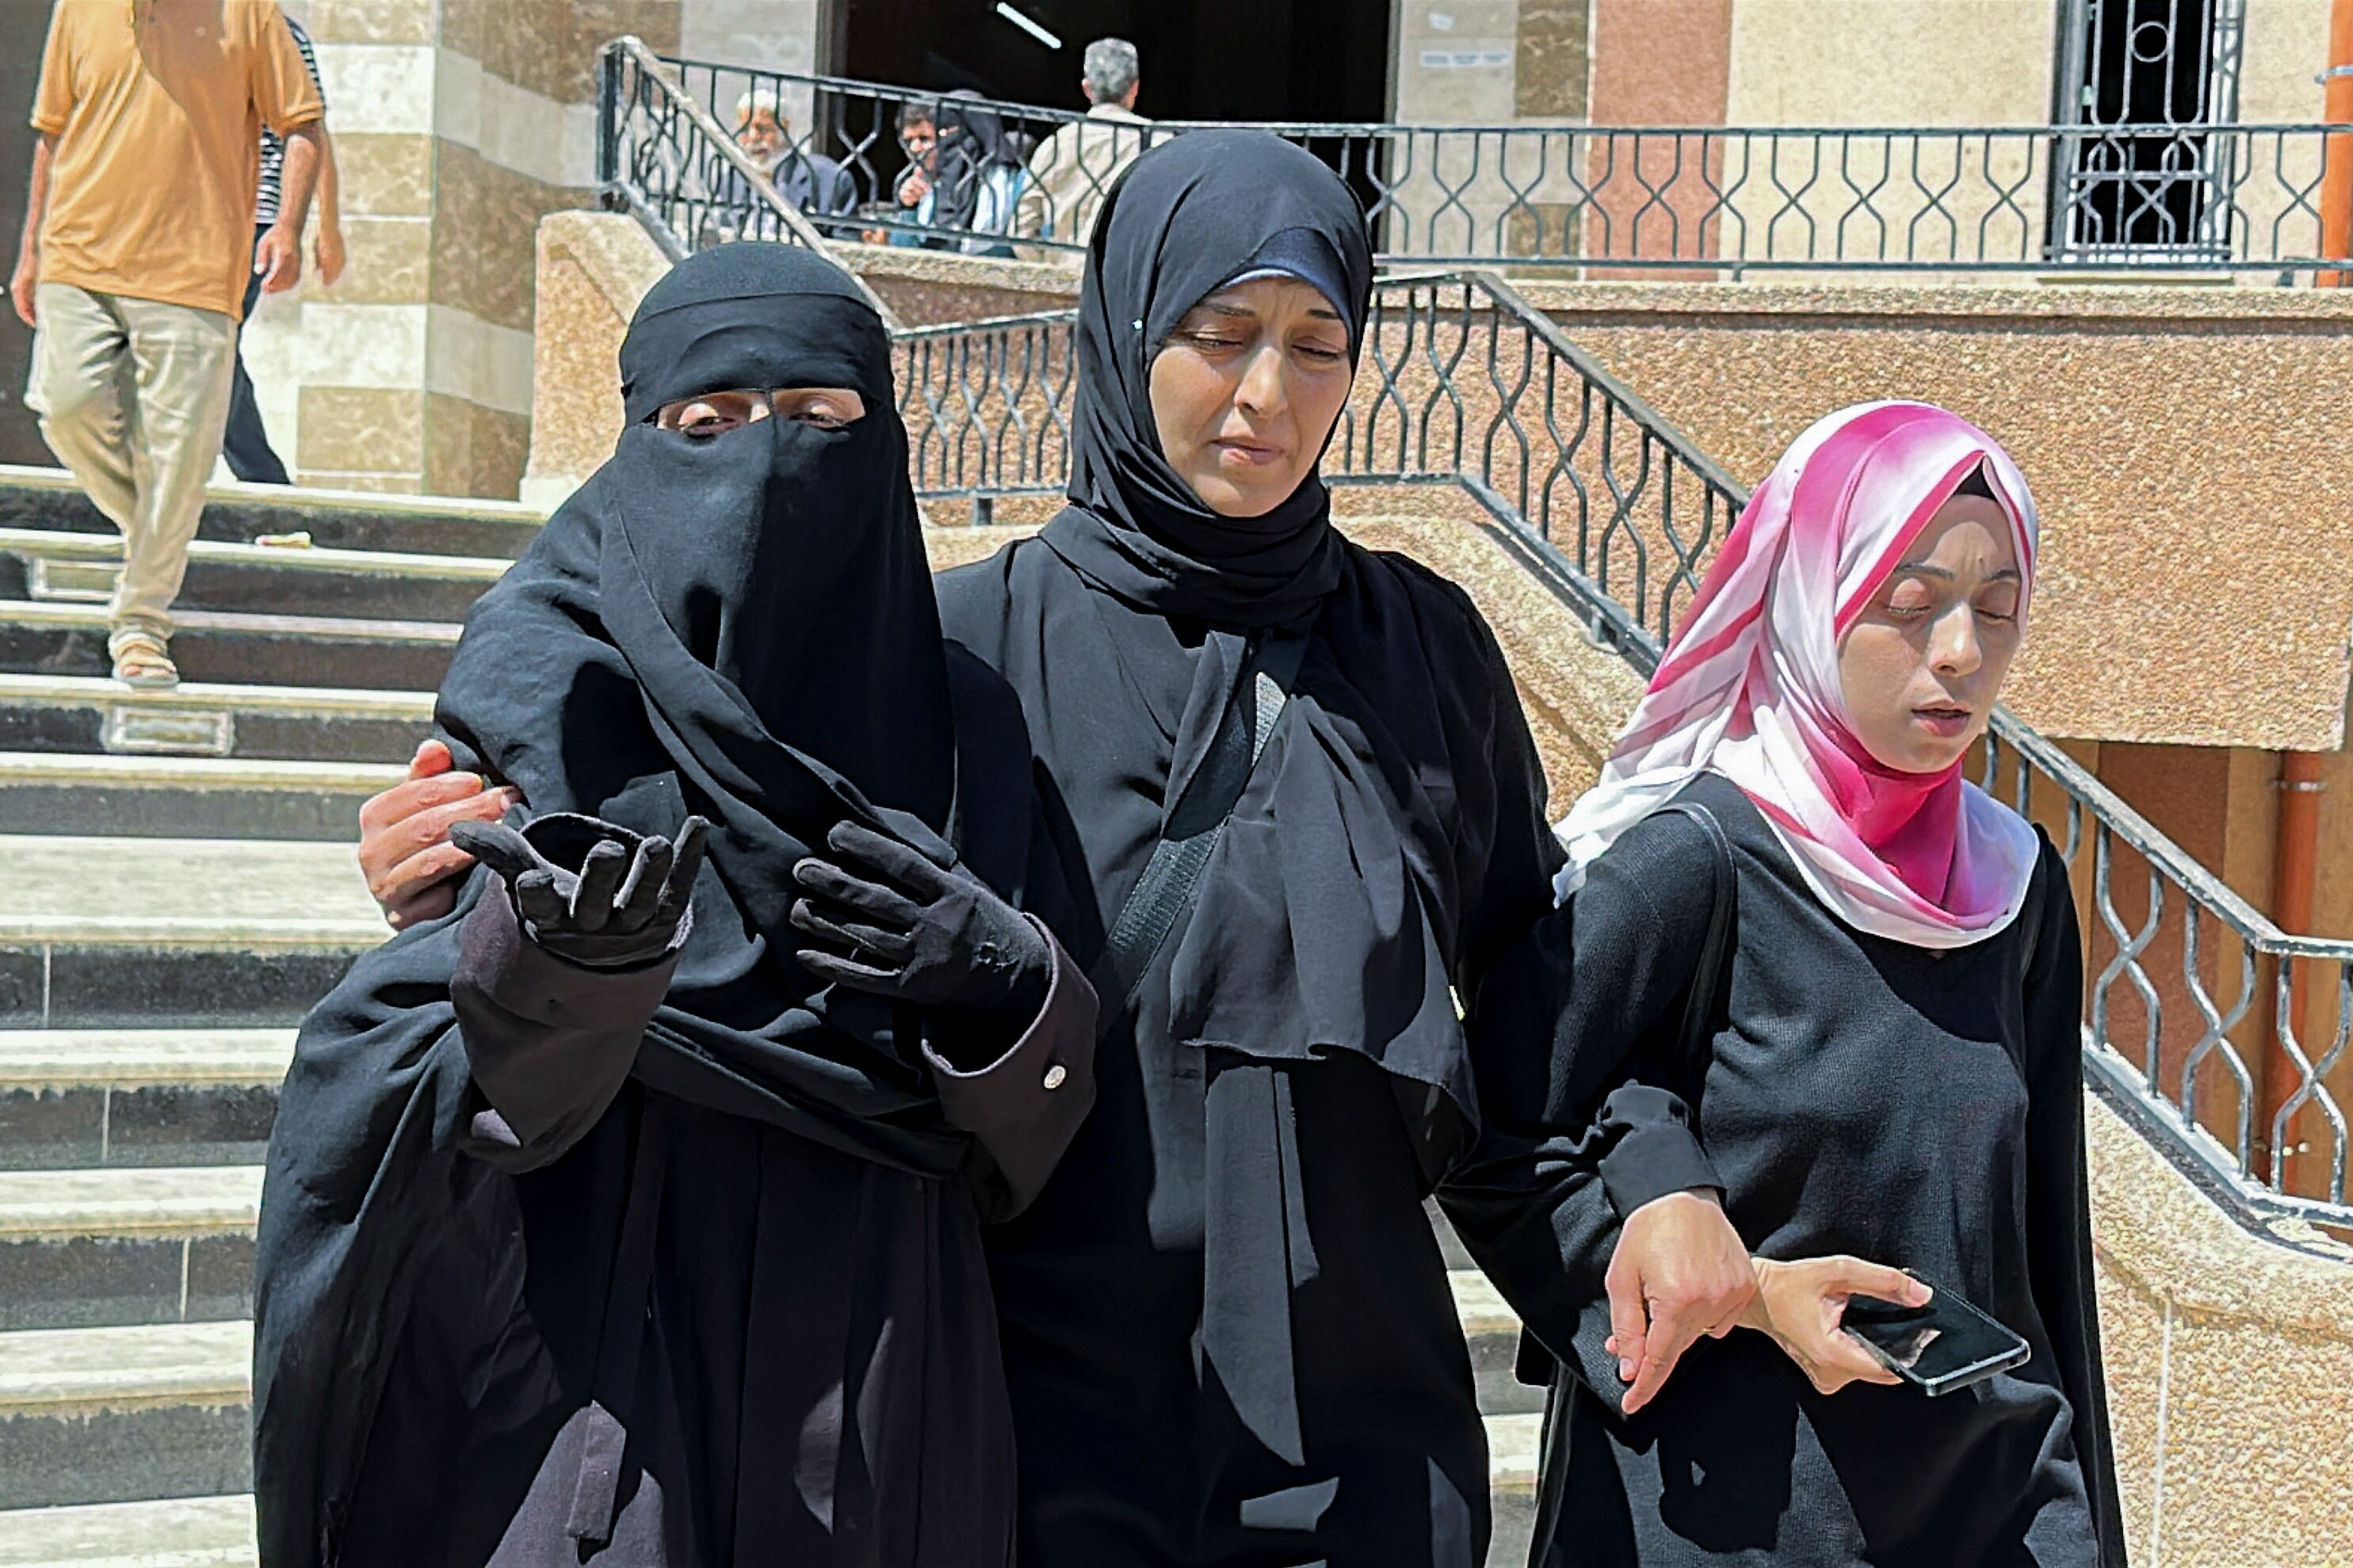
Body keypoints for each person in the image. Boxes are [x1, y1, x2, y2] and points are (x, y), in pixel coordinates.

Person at [348, 132, 1727, 1567]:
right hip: (1026, 1426)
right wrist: (461, 867)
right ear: (1127, 327)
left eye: (1317, 344)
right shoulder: (955, 650)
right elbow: (708, 874)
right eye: (1216, 333)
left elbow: (1535, 1000)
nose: (1266, 393)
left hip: (1359, 1443)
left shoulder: (1418, 648)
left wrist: (1651, 1183)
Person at [254, 244, 1098, 1568]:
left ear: (883, 444)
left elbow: (1042, 1153)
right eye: (703, 427)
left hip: (887, 1385)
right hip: (602, 1365)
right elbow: (451, 1080)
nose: (764, 470)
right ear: (634, 441)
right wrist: (554, 975)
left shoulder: (961, 724)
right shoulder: (547, 685)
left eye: (819, 420)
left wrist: (1003, 986)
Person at [1467, 402, 2126, 1565]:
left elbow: (2042, 1265)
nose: (1962, 651)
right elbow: (1496, 1121)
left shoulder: (2017, 888)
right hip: (1734, 1517)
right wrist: (1744, 1290)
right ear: (1811, 596)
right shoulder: (1700, 859)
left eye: (1999, 604)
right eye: (1909, 601)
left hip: (1989, 1509)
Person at [13, 0, 325, 689]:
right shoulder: (78, 10)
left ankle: (141, 623)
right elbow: (53, 133)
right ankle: (164, 533)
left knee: (181, 452)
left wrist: (294, 228)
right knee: (66, 408)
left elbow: (301, 123)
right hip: (78, 256)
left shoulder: (247, 13)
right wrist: (30, 251)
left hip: (195, 267)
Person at [221, 10, 343, 486]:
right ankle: (265, 485)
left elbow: (311, 129)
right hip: (197, 220)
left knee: (213, 345)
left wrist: (322, 226)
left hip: (256, 216)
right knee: (215, 349)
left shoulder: (278, 31)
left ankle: (263, 484)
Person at [1013, 36, 1149, 260]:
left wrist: (1047, 267)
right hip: (1127, 281)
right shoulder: (1159, 142)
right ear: (1135, 87)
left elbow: (1023, 225)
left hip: (1068, 274)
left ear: (1086, 88)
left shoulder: (1056, 145)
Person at [724, 86, 858, 238]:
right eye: (744, 129)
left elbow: (844, 245)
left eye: (763, 129)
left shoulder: (830, 179)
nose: (753, 137)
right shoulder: (732, 181)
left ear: (784, 127)